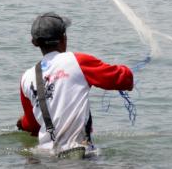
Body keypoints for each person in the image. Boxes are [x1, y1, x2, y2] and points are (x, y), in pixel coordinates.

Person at [17, 12, 134, 158]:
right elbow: (124, 80)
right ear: (64, 38)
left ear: (34, 43)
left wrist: (22, 122)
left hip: (46, 156)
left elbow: (33, 126)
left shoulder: (27, 77)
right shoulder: (78, 61)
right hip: (79, 155)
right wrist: (126, 71)